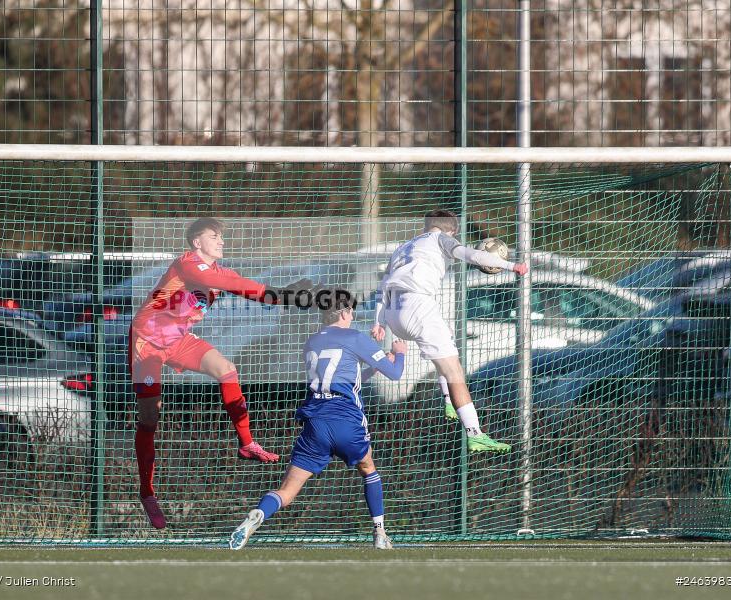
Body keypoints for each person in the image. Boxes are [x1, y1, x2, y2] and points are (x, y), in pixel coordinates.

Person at [130, 217, 312, 529]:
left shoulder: (219, 273)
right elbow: (235, 285)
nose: (221, 241)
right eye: (214, 236)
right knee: (150, 417)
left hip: (179, 339)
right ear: (196, 242)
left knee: (227, 370)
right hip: (147, 341)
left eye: (221, 237)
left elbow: (249, 290)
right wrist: (279, 291)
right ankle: (147, 492)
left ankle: (247, 443)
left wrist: (285, 297)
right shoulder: (187, 263)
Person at [229, 290, 406, 550]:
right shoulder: (355, 337)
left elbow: (342, 378)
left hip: (316, 423)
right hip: (346, 419)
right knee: (368, 468)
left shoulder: (312, 341)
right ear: (345, 313)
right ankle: (380, 533)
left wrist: (372, 367)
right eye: (352, 312)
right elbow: (395, 374)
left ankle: (260, 513)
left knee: (287, 492)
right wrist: (398, 353)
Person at [370, 209, 529, 453]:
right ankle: (475, 433)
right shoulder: (441, 239)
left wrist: (378, 322)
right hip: (418, 305)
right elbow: (473, 256)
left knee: (445, 347)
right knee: (455, 369)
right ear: (452, 230)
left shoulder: (403, 248)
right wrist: (512, 265)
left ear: (425, 226)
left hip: (394, 313)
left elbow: (383, 287)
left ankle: (449, 401)